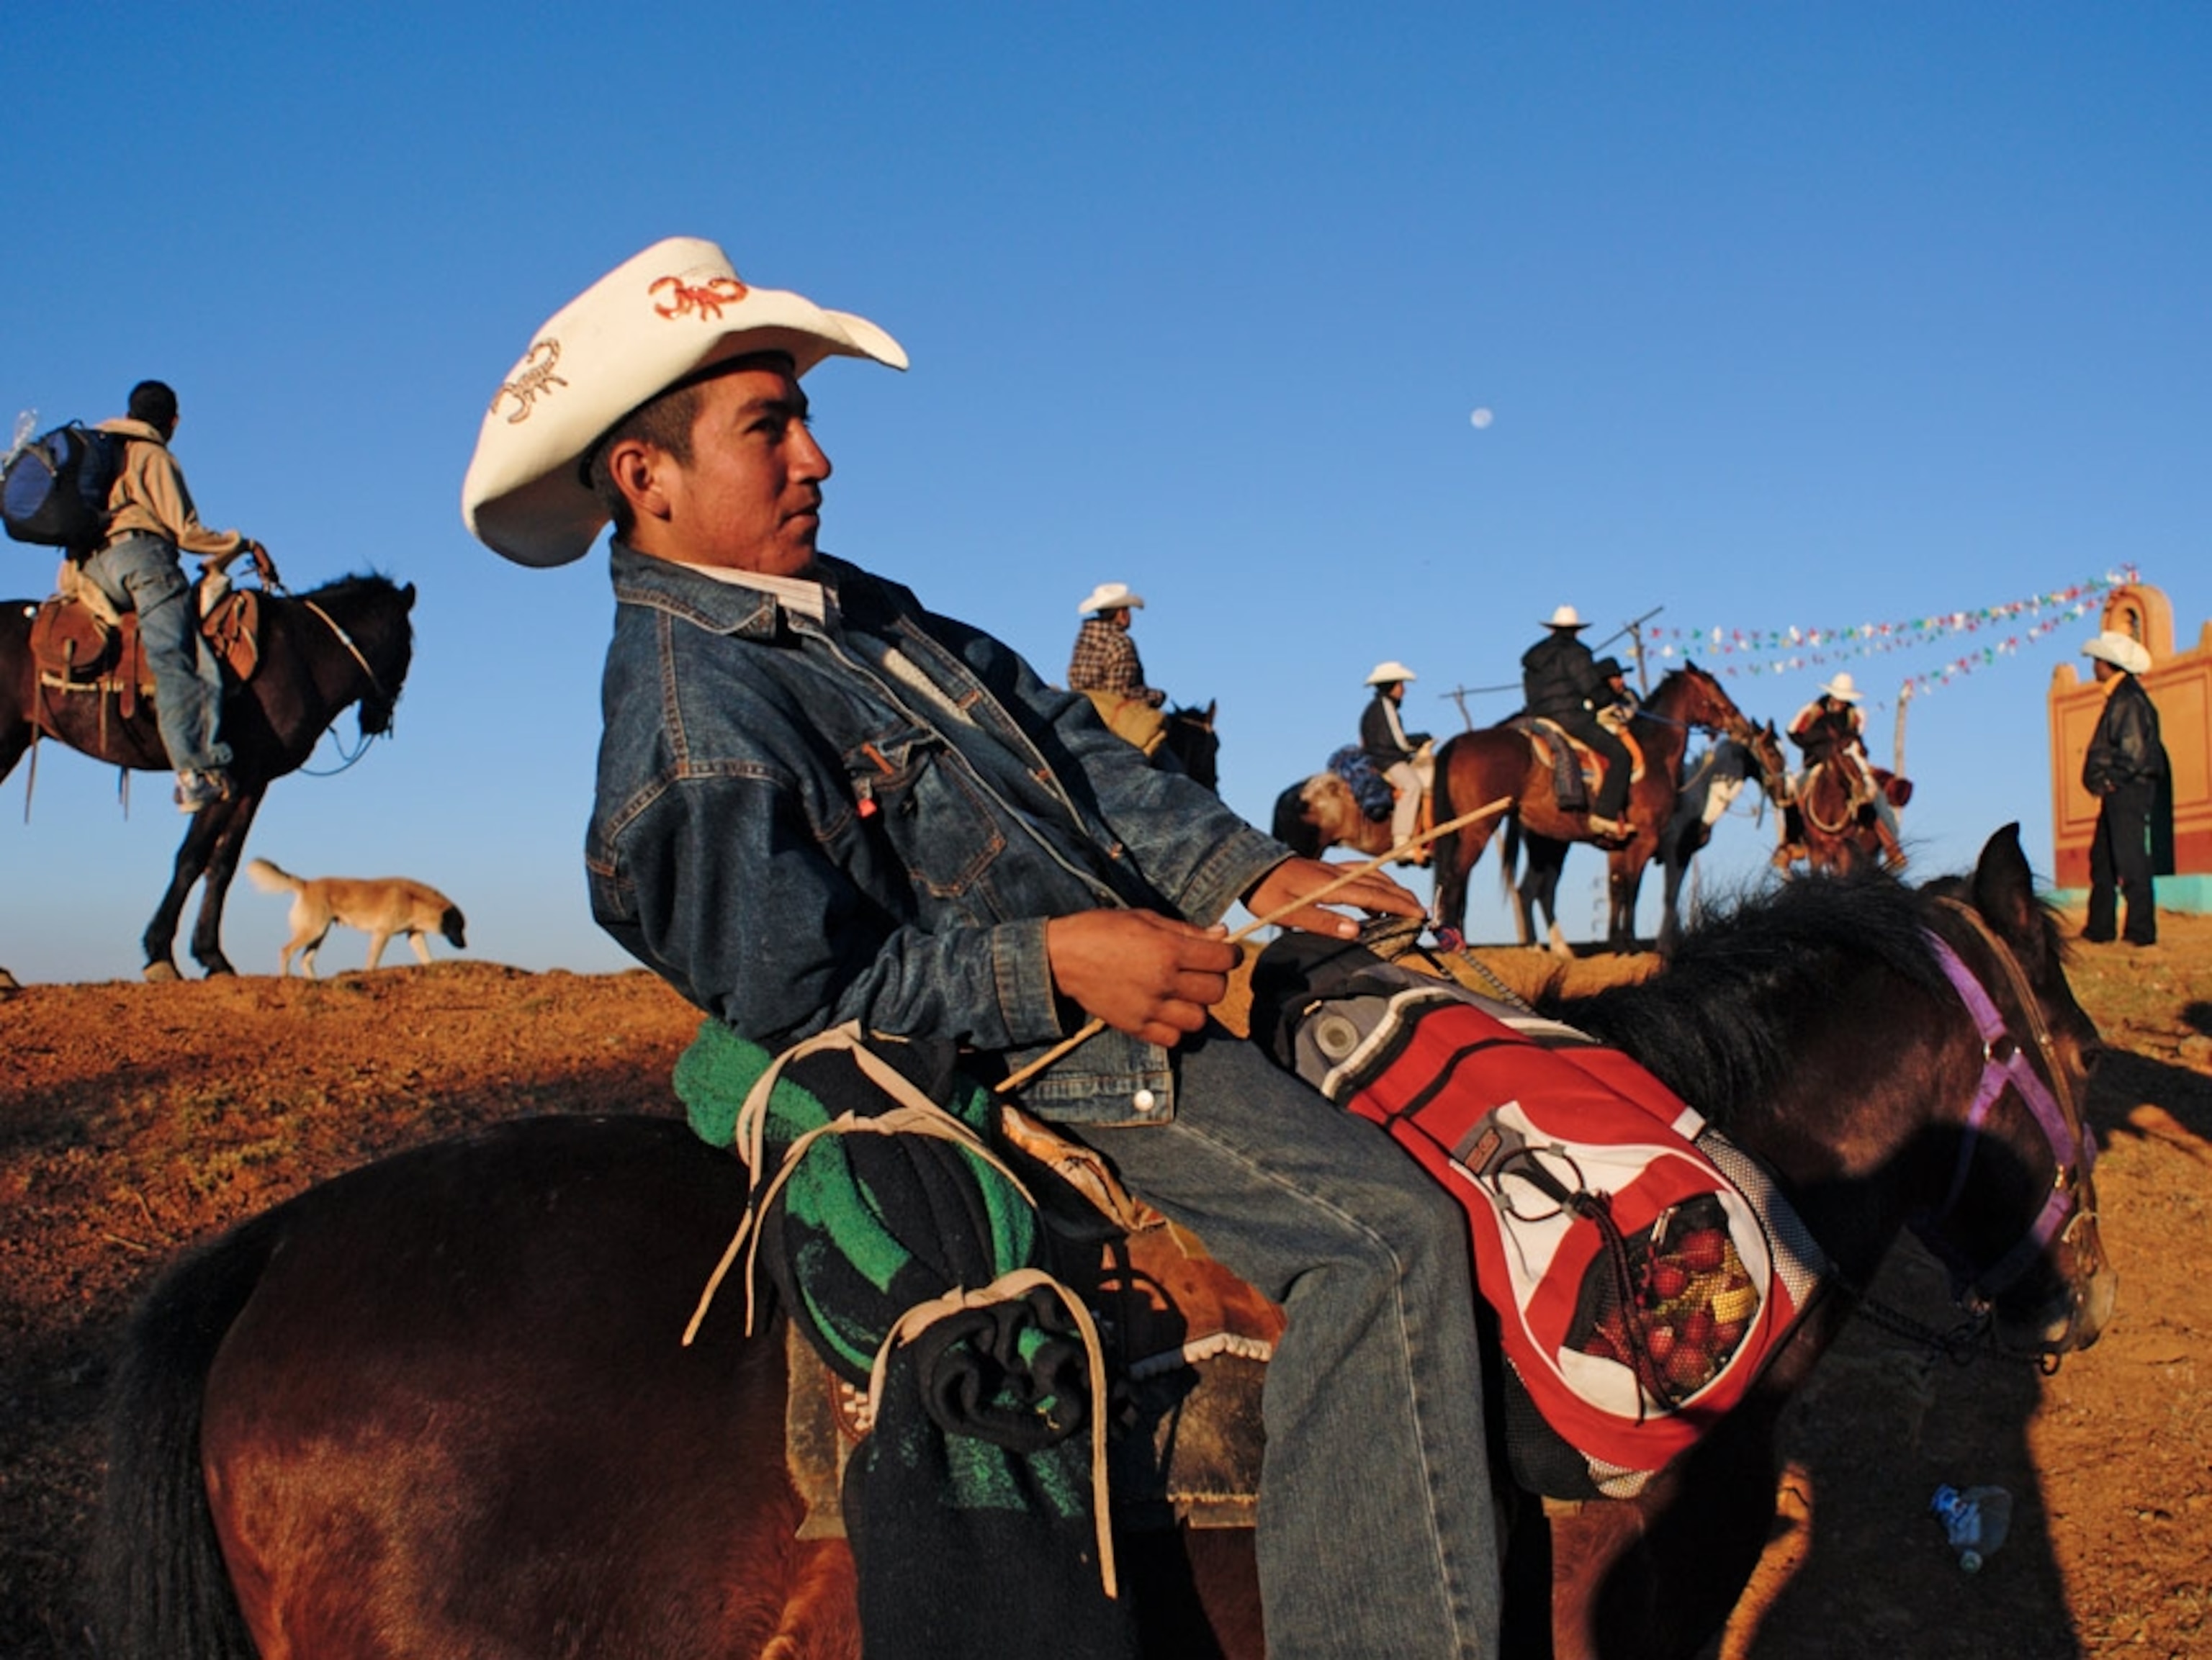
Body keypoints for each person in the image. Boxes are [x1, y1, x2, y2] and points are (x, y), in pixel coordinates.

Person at [461, 238, 1501, 1659]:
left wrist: (1258, 865)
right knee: (1390, 1245)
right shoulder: (696, 734)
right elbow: (804, 999)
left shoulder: (852, 606)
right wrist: (1063, 963)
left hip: (1104, 959)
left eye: (805, 420)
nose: (818, 458)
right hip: (1035, 1048)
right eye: (770, 427)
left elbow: (1061, 739)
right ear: (647, 476)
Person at [80, 380, 270, 811]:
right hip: (141, 562)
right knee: (183, 660)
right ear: (174, 422)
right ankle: (194, 773)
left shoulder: (100, 451)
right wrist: (240, 543)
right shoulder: (153, 456)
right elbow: (187, 534)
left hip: (88, 569)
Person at [2080, 629, 2170, 946]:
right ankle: (2099, 928)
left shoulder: (2128, 699)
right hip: (2119, 790)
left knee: (2130, 860)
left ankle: (2140, 932)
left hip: (2127, 790)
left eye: (2097, 661)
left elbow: (2134, 752)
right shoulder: (2121, 697)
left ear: (2109, 664)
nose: (2093, 666)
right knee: (2103, 860)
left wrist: (2111, 780)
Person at [1520, 604, 1633, 841]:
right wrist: (1609, 700)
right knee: (1622, 755)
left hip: (1537, 717)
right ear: (1577, 630)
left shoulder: (1534, 655)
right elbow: (1590, 687)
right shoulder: (1577, 652)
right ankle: (1604, 815)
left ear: (1552, 629)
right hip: (1570, 717)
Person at [1785, 671, 1903, 868]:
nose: (1841, 702)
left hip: (1847, 760)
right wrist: (1821, 744)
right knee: (1792, 791)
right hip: (1817, 762)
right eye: (1839, 698)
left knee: (1871, 792)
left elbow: (1856, 738)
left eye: (1845, 699)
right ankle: (1791, 842)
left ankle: (1890, 844)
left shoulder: (1855, 715)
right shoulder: (1812, 711)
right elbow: (1794, 733)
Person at [1067, 581, 1170, 757]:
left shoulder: (1085, 637)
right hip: (1113, 717)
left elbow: (1074, 679)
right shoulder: (1121, 642)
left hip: (1081, 706)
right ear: (1121, 614)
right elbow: (1120, 692)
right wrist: (1157, 696)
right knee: (1167, 760)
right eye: (1128, 610)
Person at [1358, 659, 1434, 860]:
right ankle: (1402, 843)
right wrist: (1421, 741)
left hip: (1381, 757)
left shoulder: (1376, 707)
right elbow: (1397, 741)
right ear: (1390, 686)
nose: (1404, 690)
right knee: (1413, 786)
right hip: (1386, 760)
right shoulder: (1384, 707)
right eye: (1401, 685)